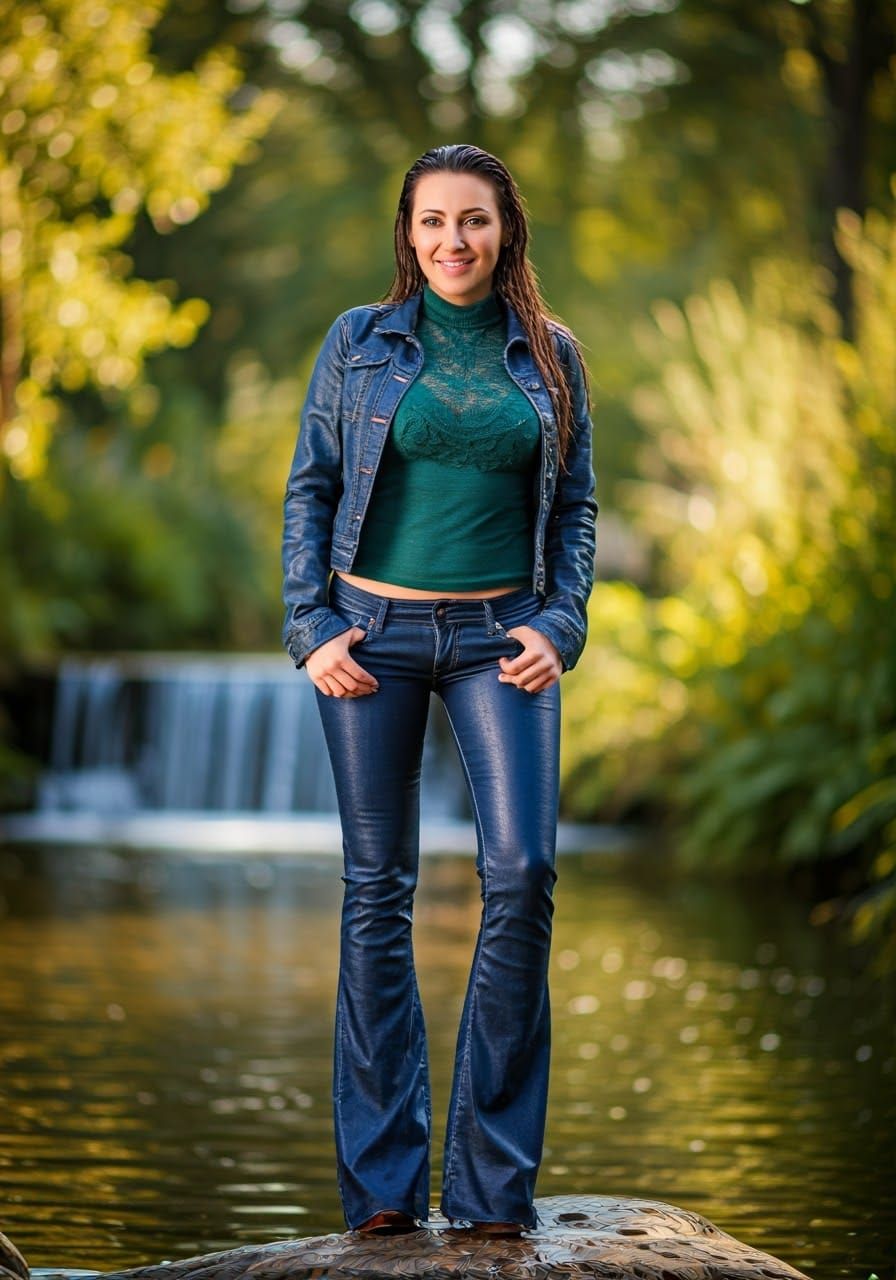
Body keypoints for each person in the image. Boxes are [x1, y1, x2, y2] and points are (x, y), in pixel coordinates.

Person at [281, 143, 597, 1239]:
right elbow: (313, 485)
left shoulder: (552, 354)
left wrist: (560, 622)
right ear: (407, 234)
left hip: (501, 640)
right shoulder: (357, 341)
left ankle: (489, 1189)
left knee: (523, 871)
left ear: (506, 231)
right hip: (368, 637)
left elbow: (576, 507)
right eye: (431, 221)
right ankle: (382, 1192)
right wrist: (310, 625)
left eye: (472, 220)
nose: (451, 240)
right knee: (377, 889)